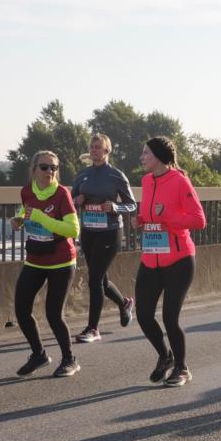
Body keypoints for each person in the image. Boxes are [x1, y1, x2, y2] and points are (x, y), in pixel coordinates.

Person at [133, 137, 207, 386]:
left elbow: (199, 220)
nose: (142, 158)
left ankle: (182, 368)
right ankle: (165, 356)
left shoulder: (179, 181)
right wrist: (140, 220)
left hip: (179, 260)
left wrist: (169, 217)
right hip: (151, 259)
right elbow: (150, 214)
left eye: (146, 153)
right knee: (143, 315)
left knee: (169, 318)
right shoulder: (146, 181)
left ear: (159, 156)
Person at [12, 151, 82, 377]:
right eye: (45, 167)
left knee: (53, 313)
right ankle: (38, 354)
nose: (50, 171)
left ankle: (70, 359)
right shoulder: (27, 191)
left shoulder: (62, 194)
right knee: (21, 309)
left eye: (54, 167)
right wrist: (19, 219)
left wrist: (42, 218)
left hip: (62, 260)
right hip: (35, 258)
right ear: (34, 169)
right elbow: (26, 211)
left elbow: (73, 230)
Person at [71, 134, 138, 343]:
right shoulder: (83, 174)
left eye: (98, 147)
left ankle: (93, 328)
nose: (93, 150)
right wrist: (77, 200)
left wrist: (115, 207)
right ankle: (125, 303)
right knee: (100, 279)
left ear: (107, 150)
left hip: (109, 231)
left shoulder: (116, 175)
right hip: (88, 231)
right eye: (91, 147)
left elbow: (131, 204)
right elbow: (70, 201)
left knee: (95, 279)